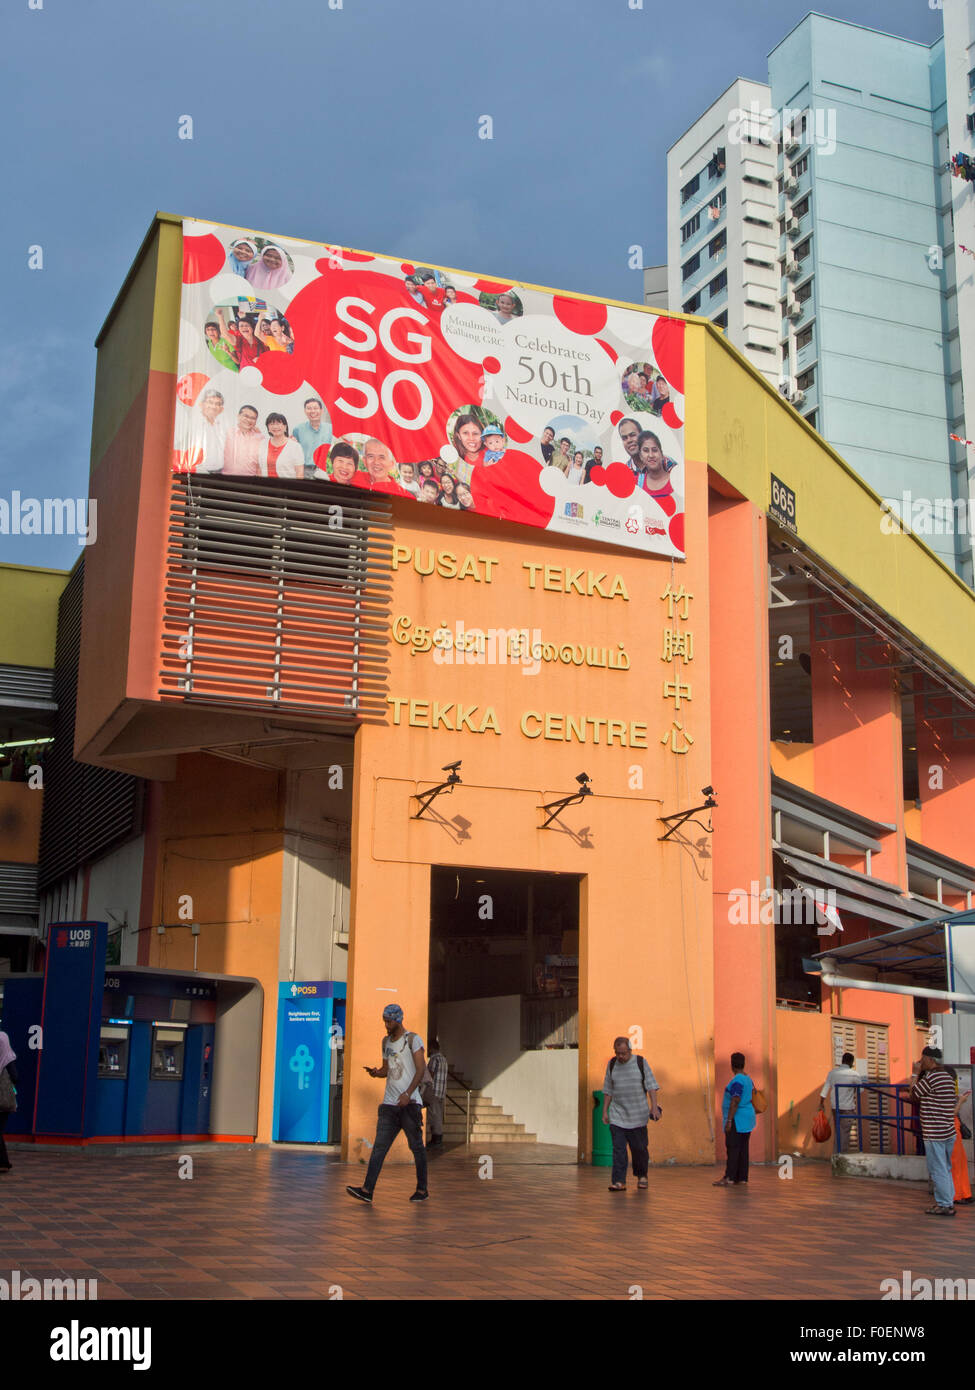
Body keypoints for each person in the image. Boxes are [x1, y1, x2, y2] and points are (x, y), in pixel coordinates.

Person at [347, 1004, 428, 1204]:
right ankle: (367, 1190)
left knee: (416, 1147)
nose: (386, 1024)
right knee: (379, 1147)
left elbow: (420, 1069)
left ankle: (422, 1189)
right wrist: (376, 1073)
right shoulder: (385, 1042)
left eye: (389, 1021)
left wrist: (408, 1094)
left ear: (398, 1020)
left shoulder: (412, 1040)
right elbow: (387, 1069)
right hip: (389, 1105)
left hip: (409, 1105)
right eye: (384, 1020)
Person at [601, 1035, 661, 1191]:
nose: (620, 1056)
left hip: (638, 1115)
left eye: (623, 1053)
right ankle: (619, 1181)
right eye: (617, 1053)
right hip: (617, 1115)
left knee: (639, 1149)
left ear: (630, 1050)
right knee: (619, 1150)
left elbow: (651, 1086)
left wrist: (654, 1107)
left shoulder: (641, 1062)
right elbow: (608, 1090)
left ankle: (642, 1176)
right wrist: (605, 1112)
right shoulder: (612, 1064)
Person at [912, 1047, 961, 1215]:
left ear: (929, 1059)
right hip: (948, 1130)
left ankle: (945, 1204)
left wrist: (915, 1074)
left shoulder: (931, 1077)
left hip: (935, 1132)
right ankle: (946, 1202)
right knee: (945, 1168)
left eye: (922, 1058)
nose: (920, 1061)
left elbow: (914, 1094)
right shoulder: (947, 1076)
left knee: (937, 1169)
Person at [714, 1052, 757, 1186]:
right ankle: (742, 1177)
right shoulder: (748, 1078)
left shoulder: (737, 1080)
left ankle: (729, 1177)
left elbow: (735, 1100)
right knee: (743, 1148)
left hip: (737, 1120)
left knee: (733, 1148)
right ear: (743, 1064)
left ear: (732, 1065)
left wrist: (729, 1120)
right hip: (747, 1119)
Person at [819, 1051, 865, 1153]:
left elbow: (825, 1090)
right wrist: (851, 1090)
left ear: (842, 1061)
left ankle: (836, 1154)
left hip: (835, 1107)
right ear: (851, 1063)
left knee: (838, 1131)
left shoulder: (832, 1073)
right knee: (845, 1132)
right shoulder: (855, 1074)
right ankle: (842, 1155)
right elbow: (860, 1090)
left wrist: (821, 1103)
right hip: (848, 1108)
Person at [943, 1064, 973, 1204]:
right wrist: (960, 1102)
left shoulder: (947, 1091)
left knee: (960, 1162)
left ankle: (964, 1193)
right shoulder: (942, 1092)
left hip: (954, 1129)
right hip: (950, 1129)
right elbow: (950, 1113)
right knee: (955, 1163)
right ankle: (957, 1194)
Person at [631, 430, 682, 508]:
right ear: (641, 456)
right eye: (646, 451)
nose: (651, 455)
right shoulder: (636, 483)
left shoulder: (676, 481)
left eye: (654, 450)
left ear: (661, 454)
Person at [292, 398, 333, 479]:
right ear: (305, 411)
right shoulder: (298, 429)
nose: (312, 411)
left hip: (325, 471)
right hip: (305, 470)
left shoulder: (331, 429)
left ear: (321, 411)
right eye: (309, 408)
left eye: (315, 408)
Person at [258, 413, 305, 479]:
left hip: (286, 487)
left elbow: (300, 472)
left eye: (278, 423)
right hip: (266, 486)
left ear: (285, 427)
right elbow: (260, 469)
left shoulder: (295, 446)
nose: (275, 427)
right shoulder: (263, 443)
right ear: (268, 428)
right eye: (272, 424)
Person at [223, 405, 263, 476]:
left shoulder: (260, 438)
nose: (249, 420)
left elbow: (261, 463)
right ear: (238, 416)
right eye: (246, 416)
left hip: (251, 480)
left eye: (253, 418)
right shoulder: (227, 433)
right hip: (227, 478)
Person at [424, 1037, 448, 1148]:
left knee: (434, 1115)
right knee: (438, 1114)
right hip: (441, 1091)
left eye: (429, 1048)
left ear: (432, 1048)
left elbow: (430, 1075)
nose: (428, 1050)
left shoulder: (434, 1059)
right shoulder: (444, 1059)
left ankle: (436, 1140)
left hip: (433, 1091)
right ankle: (437, 1140)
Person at [196, 389, 227, 474]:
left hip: (219, 472)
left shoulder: (222, 425)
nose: (213, 406)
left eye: (217, 404)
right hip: (199, 472)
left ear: (221, 409)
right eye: (210, 402)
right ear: (201, 404)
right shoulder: (195, 424)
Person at [0, 1030, 16, 1171]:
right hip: (5, 1101)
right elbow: (16, 1079)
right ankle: (4, 1163)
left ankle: (4, 1163)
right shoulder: (8, 1060)